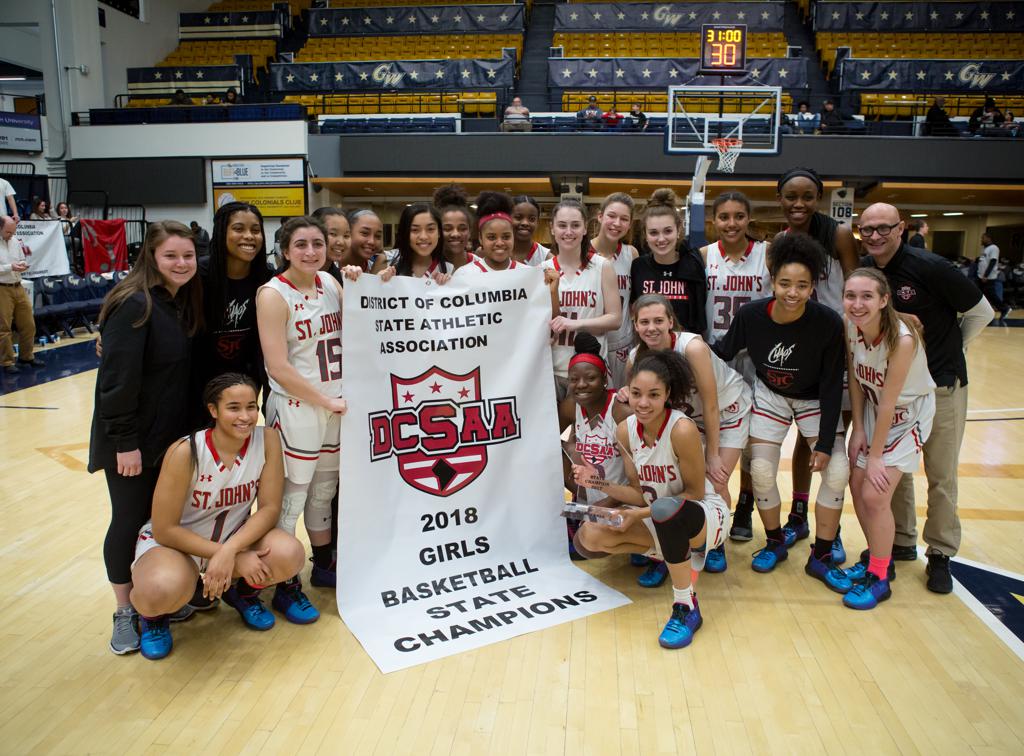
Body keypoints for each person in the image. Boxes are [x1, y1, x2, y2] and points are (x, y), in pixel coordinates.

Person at [858, 202, 993, 593]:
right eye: (867, 229)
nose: (875, 236)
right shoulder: (868, 271)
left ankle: (940, 553)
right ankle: (900, 542)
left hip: (941, 385)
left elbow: (981, 312)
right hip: (896, 393)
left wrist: (951, 348)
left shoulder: (931, 267)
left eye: (884, 228)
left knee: (941, 473)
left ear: (901, 228)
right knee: (894, 473)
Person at [129, 374, 307, 659]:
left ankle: (243, 594)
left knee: (290, 554)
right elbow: (164, 529)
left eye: (252, 406)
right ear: (213, 410)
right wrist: (227, 554)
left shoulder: (268, 440)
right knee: (159, 589)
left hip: (232, 539)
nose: (246, 416)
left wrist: (232, 550)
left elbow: (270, 509)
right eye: (234, 408)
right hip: (177, 546)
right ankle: (153, 618)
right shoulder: (185, 451)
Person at [712, 233, 851, 592]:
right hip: (771, 394)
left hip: (814, 398)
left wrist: (823, 443)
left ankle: (821, 554)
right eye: (785, 283)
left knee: (837, 471)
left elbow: (834, 382)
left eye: (802, 285)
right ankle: (774, 541)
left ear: (813, 287)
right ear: (772, 282)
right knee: (759, 470)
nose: (792, 292)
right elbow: (722, 351)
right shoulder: (751, 315)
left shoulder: (829, 323)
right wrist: (680, 344)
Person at [88, 220, 202, 654]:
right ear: (151, 258)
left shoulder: (174, 302)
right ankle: (123, 611)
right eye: (171, 255)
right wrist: (124, 443)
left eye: (188, 256)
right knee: (128, 521)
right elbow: (116, 383)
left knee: (161, 523)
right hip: (131, 443)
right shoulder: (134, 304)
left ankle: (157, 597)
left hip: (166, 441)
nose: (181, 263)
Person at [573, 350, 730, 649]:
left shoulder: (681, 429)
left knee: (664, 509)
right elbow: (638, 492)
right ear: (628, 392)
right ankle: (671, 557)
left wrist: (637, 515)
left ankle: (686, 607)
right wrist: (594, 481)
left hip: (703, 516)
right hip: (659, 515)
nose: (643, 403)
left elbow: (695, 493)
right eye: (636, 394)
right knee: (590, 535)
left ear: (667, 394)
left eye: (653, 395)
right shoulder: (625, 430)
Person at [256, 216, 346, 624]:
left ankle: (323, 566)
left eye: (317, 244)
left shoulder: (331, 284)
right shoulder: (273, 295)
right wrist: (323, 398)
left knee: (324, 491)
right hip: (297, 407)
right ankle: (284, 584)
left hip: (334, 405)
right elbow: (277, 367)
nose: (311, 252)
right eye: (301, 245)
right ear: (285, 250)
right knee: (290, 500)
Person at [626, 293, 750, 577]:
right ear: (634, 325)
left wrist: (714, 455)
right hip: (688, 420)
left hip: (726, 411)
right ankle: (666, 551)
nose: (652, 327)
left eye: (659, 320)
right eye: (644, 322)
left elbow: (710, 402)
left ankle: (715, 544)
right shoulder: (636, 358)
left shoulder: (692, 347)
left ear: (671, 321)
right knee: (672, 484)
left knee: (714, 482)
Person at [775, 167, 858, 558]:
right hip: (797, 348)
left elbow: (858, 284)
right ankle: (798, 514)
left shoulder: (838, 234)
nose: (799, 203)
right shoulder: (780, 241)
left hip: (835, 345)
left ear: (819, 199)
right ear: (780, 199)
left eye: (807, 196)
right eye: (791, 196)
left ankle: (832, 525)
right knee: (806, 441)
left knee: (833, 441)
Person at [842, 269, 935, 610]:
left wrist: (877, 455)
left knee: (874, 493)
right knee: (856, 483)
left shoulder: (903, 339)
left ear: (884, 300)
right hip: (873, 411)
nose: (857, 303)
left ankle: (880, 578)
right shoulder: (850, 325)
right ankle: (879, 561)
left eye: (867, 296)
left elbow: (891, 401)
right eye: (850, 295)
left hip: (906, 416)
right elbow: (855, 379)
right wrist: (859, 431)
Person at [700, 191, 771, 544]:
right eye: (724, 217)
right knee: (722, 431)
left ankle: (745, 504)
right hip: (718, 356)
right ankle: (714, 503)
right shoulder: (704, 256)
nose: (731, 223)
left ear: (748, 219)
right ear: (714, 220)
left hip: (757, 357)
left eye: (738, 216)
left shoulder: (767, 255)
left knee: (754, 442)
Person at [191, 202, 271, 426]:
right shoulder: (198, 274)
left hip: (246, 382)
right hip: (199, 381)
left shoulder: (267, 278)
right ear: (221, 232)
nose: (249, 236)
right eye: (238, 229)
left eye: (255, 230)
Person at [542, 199, 621, 400]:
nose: (569, 231)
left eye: (575, 225)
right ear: (552, 228)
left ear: (586, 228)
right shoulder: (540, 270)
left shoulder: (603, 266)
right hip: (550, 368)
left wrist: (575, 324)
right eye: (562, 225)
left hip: (589, 369)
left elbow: (615, 319)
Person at [629, 188, 707, 335]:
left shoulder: (693, 264)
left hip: (685, 348)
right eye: (653, 233)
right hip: (650, 347)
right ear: (645, 235)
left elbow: (699, 318)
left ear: (678, 231)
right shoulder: (638, 266)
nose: (661, 239)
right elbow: (633, 311)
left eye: (667, 231)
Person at [591, 192, 638, 388]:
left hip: (622, 344)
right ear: (600, 216)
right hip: (591, 341)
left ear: (629, 224)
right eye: (611, 216)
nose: (617, 223)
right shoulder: (580, 251)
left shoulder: (631, 253)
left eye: (624, 219)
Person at [0, 216, 43, 374]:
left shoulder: (16, 241)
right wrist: (9, 267)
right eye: (8, 231)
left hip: (18, 285)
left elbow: (22, 259)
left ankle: (26, 356)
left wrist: (23, 264)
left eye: (13, 231)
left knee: (29, 324)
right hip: (2, 288)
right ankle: (6, 361)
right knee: (4, 327)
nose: (11, 234)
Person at [375, 203, 453, 282]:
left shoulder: (448, 269)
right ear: (405, 233)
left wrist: (448, 287)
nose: (423, 237)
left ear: (439, 233)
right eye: (415, 230)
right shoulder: (386, 261)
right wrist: (376, 282)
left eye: (430, 229)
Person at [433, 184, 475, 269]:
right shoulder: (427, 268)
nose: (455, 234)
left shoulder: (481, 267)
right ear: (438, 232)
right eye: (447, 229)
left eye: (462, 228)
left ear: (470, 232)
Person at [978, 231, 1011, 322]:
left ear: (989, 238)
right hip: (981, 276)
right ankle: (985, 312)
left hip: (988, 277)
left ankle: (1004, 308)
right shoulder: (985, 249)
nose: (982, 239)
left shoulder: (994, 248)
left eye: (983, 238)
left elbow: (993, 262)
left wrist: (986, 275)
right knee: (983, 295)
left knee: (991, 295)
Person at [511, 195, 550, 266]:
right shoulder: (495, 252)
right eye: (518, 217)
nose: (525, 223)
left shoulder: (547, 258)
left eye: (532, 219)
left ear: (537, 222)